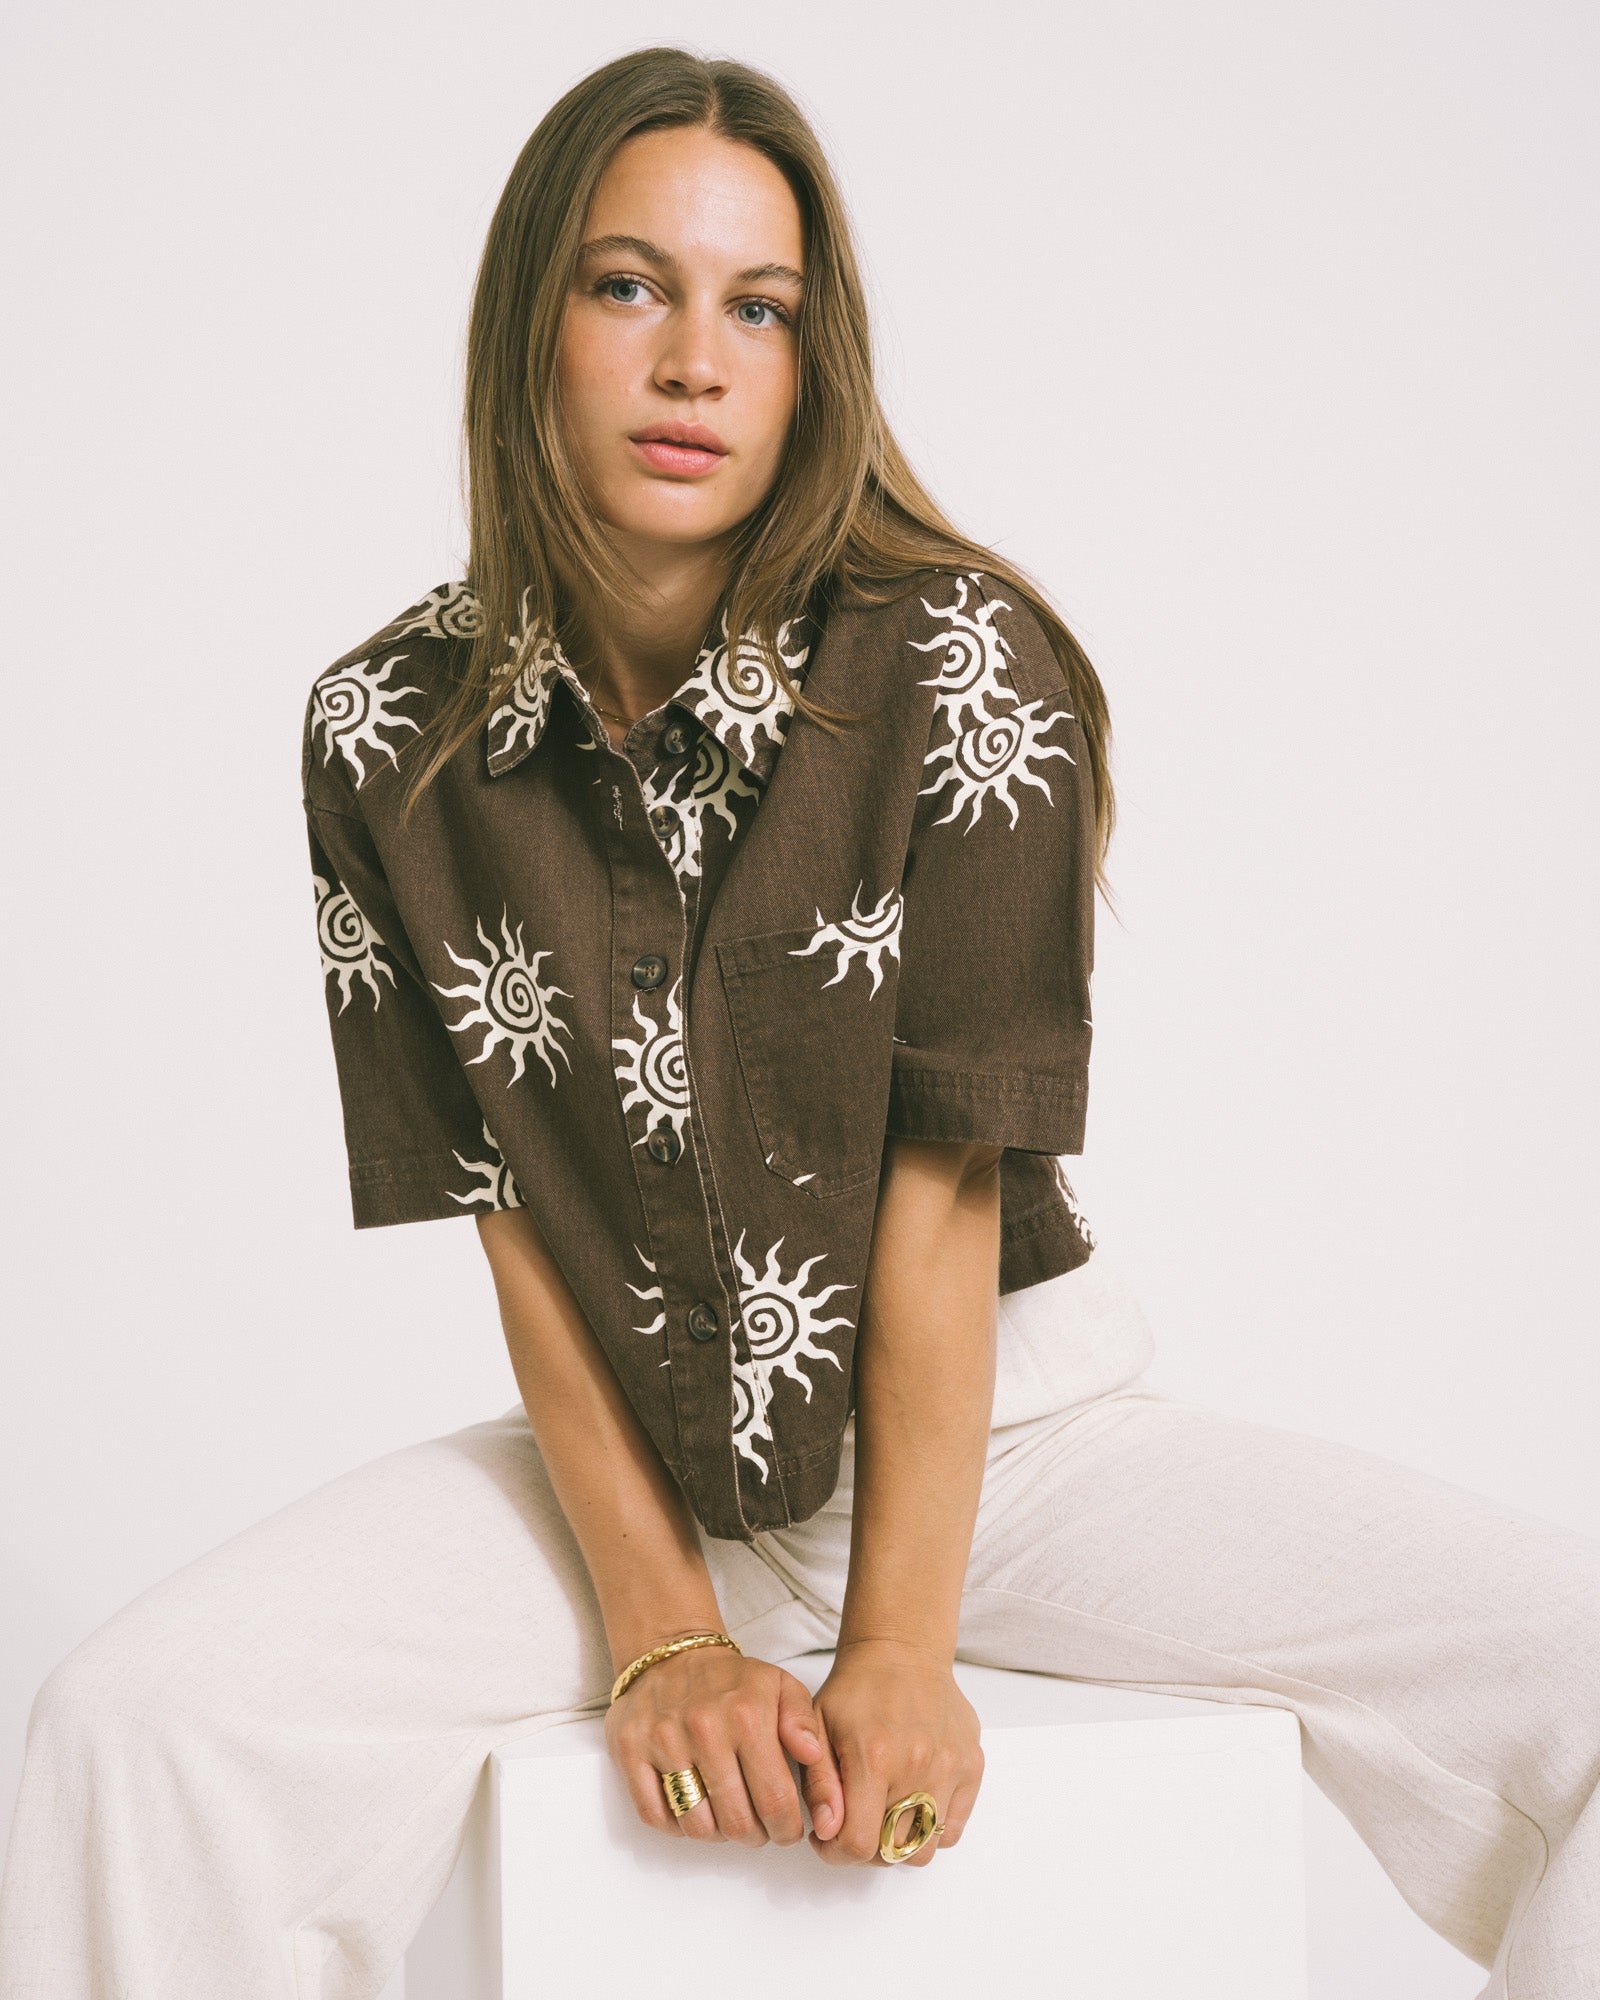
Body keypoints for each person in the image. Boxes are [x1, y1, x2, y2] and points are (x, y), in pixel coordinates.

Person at [1, 44, 1595, 2000]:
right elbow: (514, 1215)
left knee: (1580, 1670)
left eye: (756, 307)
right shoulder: (384, 732)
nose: (695, 361)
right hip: (625, 1455)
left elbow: (942, 1191)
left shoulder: (963, 664)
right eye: (629, 286)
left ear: (808, 357)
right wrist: (664, 1628)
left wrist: (897, 1649)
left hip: (1004, 1445)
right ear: (529, 324)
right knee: (133, 1737)